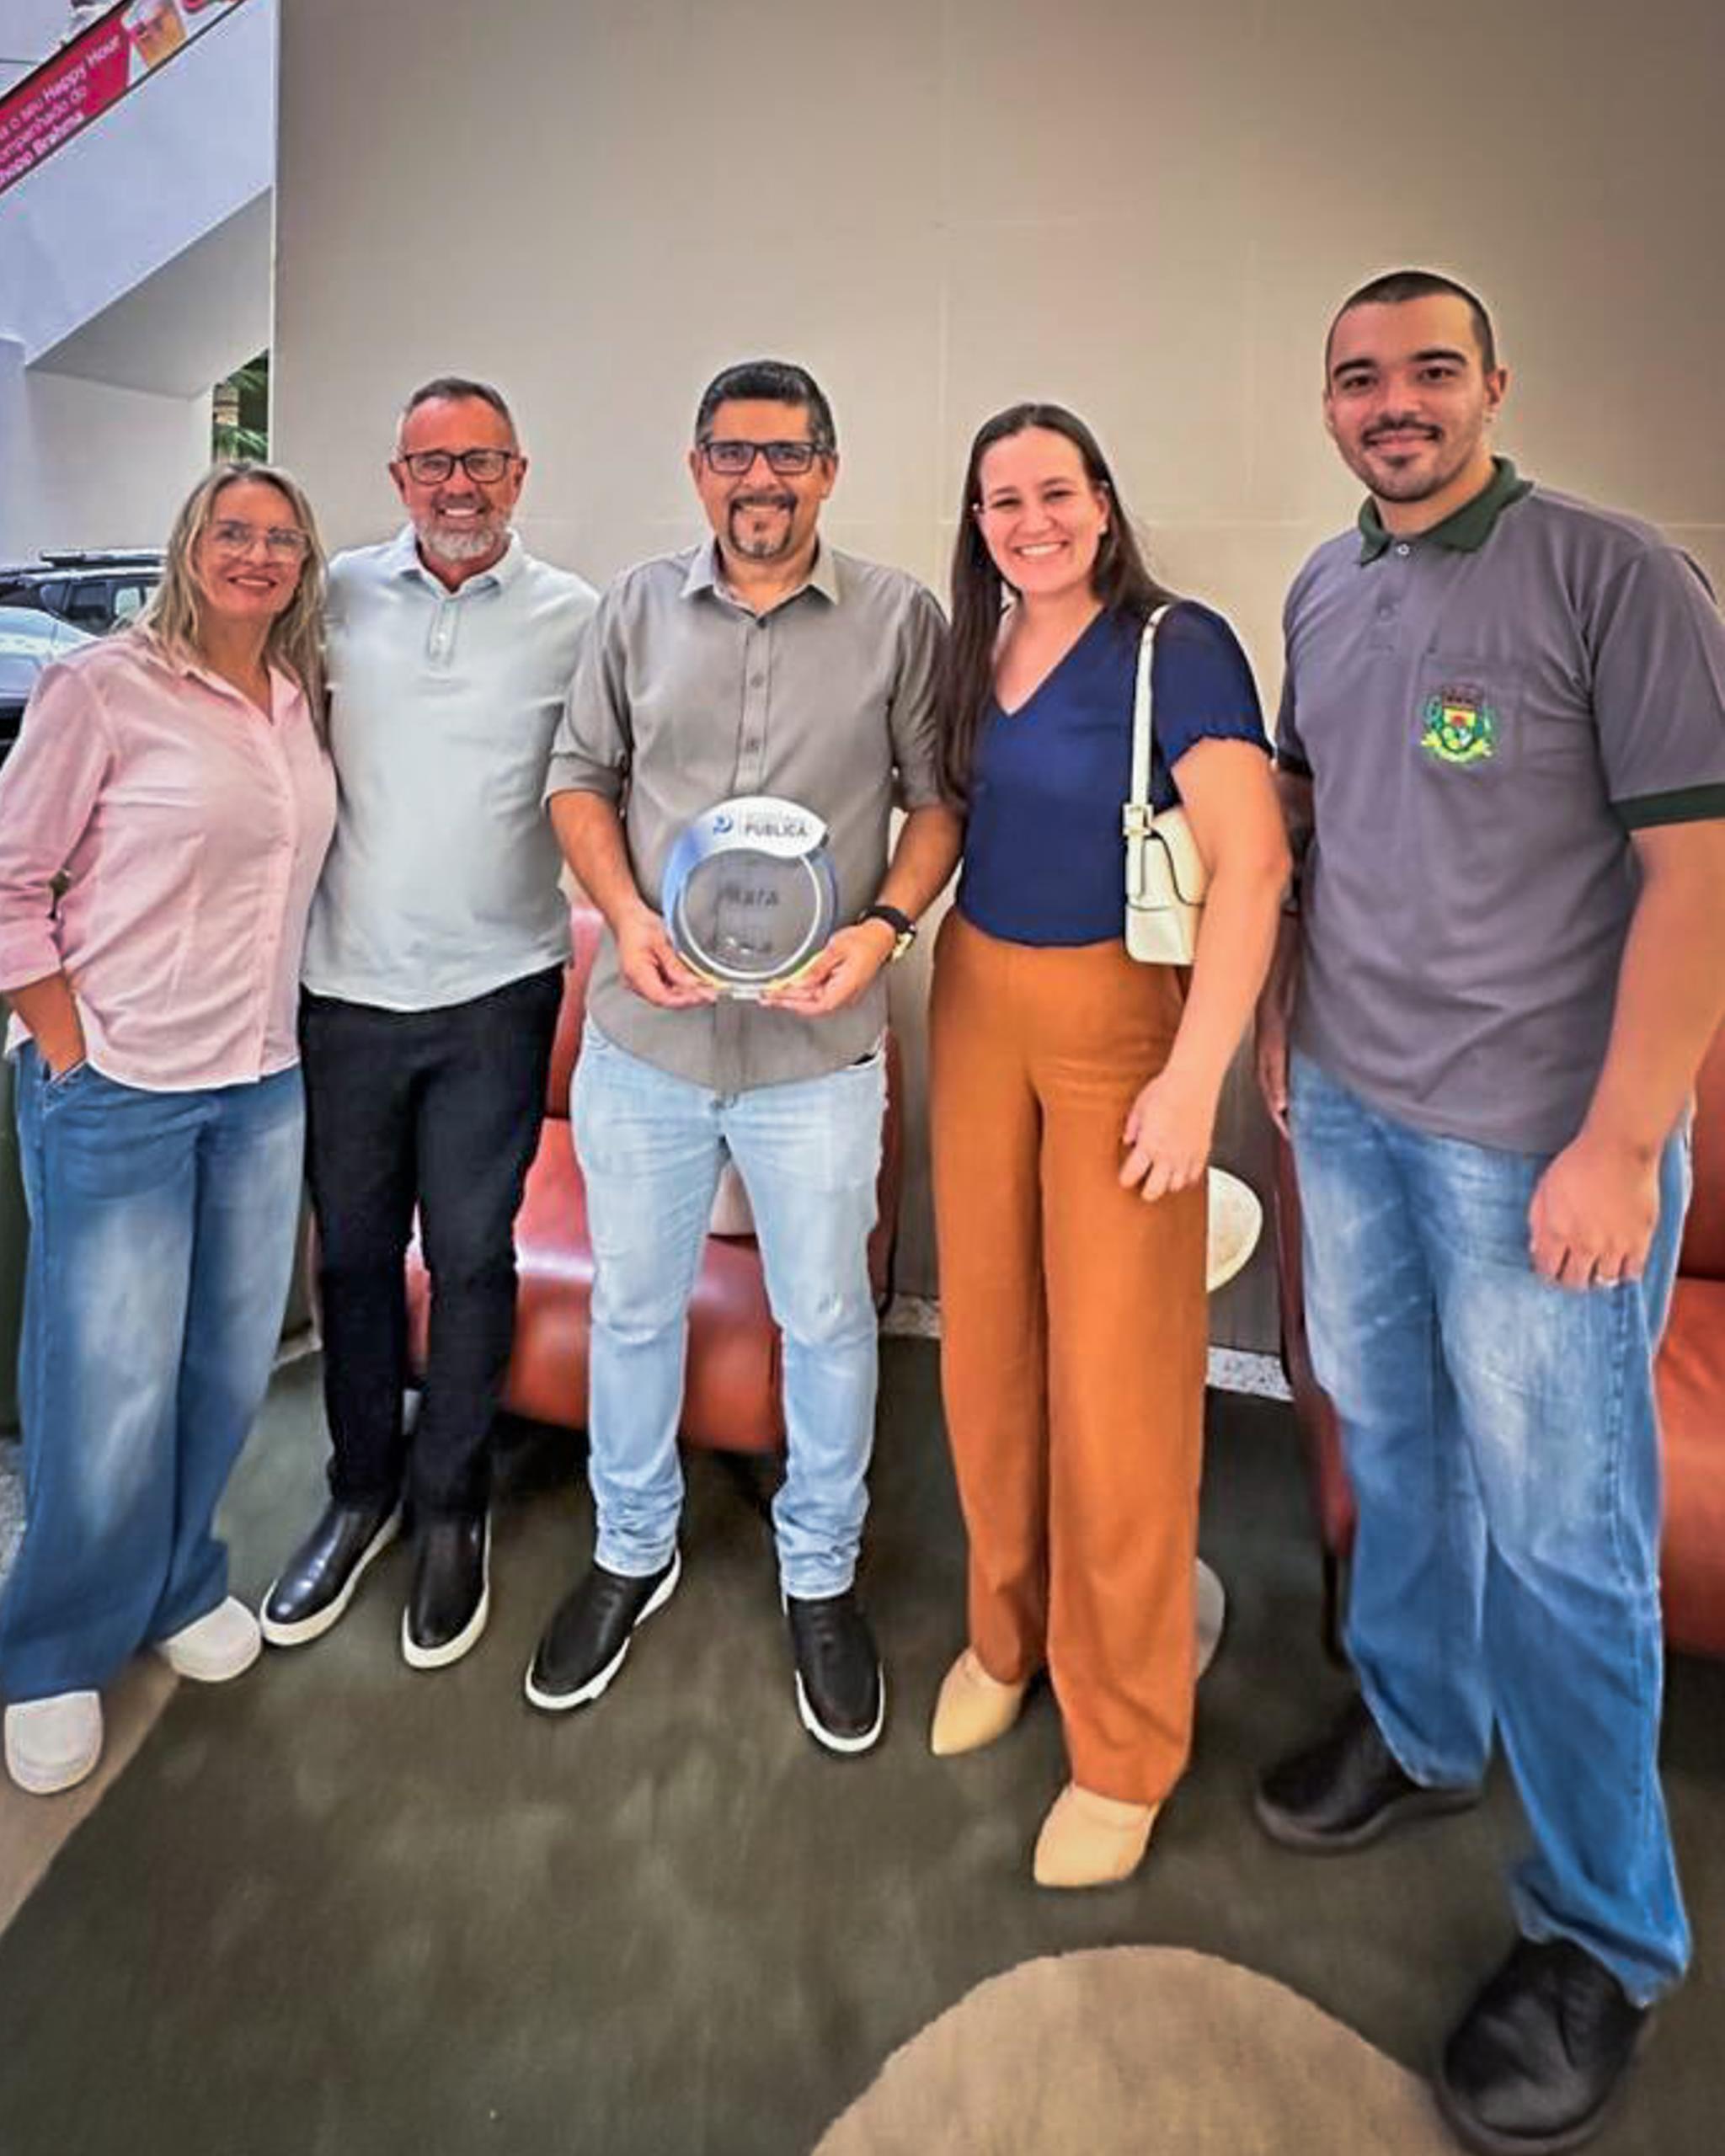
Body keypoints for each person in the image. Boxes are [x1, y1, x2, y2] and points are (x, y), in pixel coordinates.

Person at [1254, 270, 1725, 2155]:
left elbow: (1697, 876)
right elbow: (1311, 825)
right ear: (1328, 403)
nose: (1396, 401)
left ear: (1493, 385)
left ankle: (1606, 1930)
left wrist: (1624, 1140)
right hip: (1353, 1112)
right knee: (1394, 1449)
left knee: (1566, 1542)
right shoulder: (1322, 589)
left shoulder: (1617, 578)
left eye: (1430, 369)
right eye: (1359, 375)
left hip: (1540, 1152)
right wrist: (1282, 1021)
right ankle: (1423, 1725)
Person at [525, 359, 959, 1753]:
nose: (758, 479)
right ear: (697, 466)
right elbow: (579, 780)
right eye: (732, 452)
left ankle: (819, 1571)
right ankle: (631, 1548)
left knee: (827, 1319)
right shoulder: (633, 611)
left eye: (785, 454)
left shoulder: (901, 619)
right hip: (645, 1040)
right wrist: (623, 916)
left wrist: (883, 930)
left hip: (816, 1052)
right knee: (634, 1311)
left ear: (828, 468)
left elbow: (937, 803)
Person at [926, 403, 1287, 1886]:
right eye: (1002, 500)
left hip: (1119, 1021)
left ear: (1103, 502)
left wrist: (1196, 1078)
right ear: (979, 523)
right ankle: (1005, 1633)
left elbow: (1254, 867)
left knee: (1120, 1384)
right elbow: (949, 820)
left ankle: (1126, 1740)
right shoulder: (980, 647)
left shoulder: (1177, 647)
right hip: (973, 1000)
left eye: (1055, 492)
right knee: (986, 1347)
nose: (1032, 521)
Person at [0, 462, 335, 1796]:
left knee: (222, 1363)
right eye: (233, 531)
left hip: (261, 1080)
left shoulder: (299, 700)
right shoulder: (102, 688)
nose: (257, 554)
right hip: (123, 1082)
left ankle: (177, 1580)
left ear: (304, 564)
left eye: (281, 537)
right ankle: (52, 1647)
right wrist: (66, 1046)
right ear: (189, 546)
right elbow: (10, 880)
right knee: (105, 1383)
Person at [259, 378, 597, 1671]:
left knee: (468, 1255)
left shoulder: (577, 617)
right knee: (351, 1257)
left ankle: (453, 1506)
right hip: (344, 994)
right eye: (433, 464)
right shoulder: (331, 595)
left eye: (483, 461)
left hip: (499, 995)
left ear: (521, 474)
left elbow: (619, 774)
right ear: (399, 480)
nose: (459, 486)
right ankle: (361, 1489)